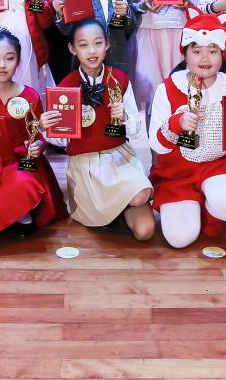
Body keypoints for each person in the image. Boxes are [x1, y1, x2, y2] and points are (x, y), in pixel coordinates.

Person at [149, 8, 226, 249]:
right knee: (179, 238)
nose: (205, 58)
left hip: (219, 166)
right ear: (185, 53)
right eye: (197, 51)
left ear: (223, 54)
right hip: (177, 173)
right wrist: (176, 124)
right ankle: (193, 203)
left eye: (213, 51)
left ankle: (210, 207)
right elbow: (156, 145)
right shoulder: (167, 89)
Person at [0, 29, 68, 245]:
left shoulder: (30, 96)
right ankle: (7, 214)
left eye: (9, 58)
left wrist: (39, 147)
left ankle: (19, 212)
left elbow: (39, 136)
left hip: (21, 161)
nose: (2, 65)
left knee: (25, 183)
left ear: (18, 61)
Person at [54, 19, 154, 238]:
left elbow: (136, 131)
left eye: (98, 43)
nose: (92, 51)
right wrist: (51, 126)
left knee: (145, 231)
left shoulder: (120, 79)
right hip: (85, 164)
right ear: (72, 48)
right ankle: (119, 207)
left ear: (107, 44)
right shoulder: (65, 88)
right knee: (123, 226)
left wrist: (125, 117)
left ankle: (126, 202)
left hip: (118, 157)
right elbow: (60, 141)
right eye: (83, 45)